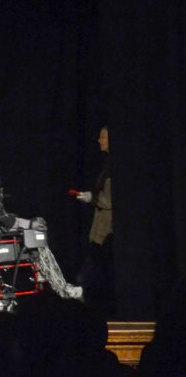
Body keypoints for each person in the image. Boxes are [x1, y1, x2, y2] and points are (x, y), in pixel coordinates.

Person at [0, 166, 83, 299]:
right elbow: (4, 219)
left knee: (34, 234)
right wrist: (30, 224)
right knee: (38, 240)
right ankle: (61, 288)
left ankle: (49, 279)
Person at [74, 126, 114, 316]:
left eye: (103, 137)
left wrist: (92, 197)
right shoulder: (108, 165)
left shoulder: (116, 167)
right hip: (100, 231)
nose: (99, 141)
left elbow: (110, 199)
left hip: (106, 232)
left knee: (91, 275)